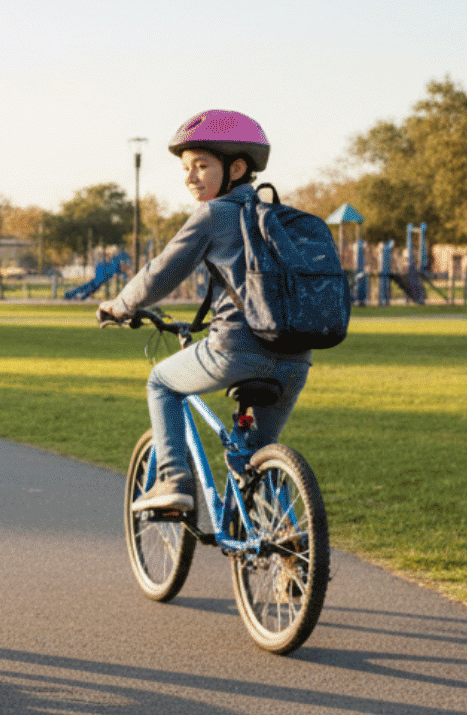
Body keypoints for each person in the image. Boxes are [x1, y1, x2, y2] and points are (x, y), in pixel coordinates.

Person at [97, 109, 312, 512]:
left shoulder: (215, 214)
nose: (190, 176)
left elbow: (160, 273)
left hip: (234, 350)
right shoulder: (278, 218)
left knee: (161, 382)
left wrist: (120, 305)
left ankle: (173, 480)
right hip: (295, 359)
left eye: (201, 165)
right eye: (186, 168)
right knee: (256, 455)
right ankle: (280, 543)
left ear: (236, 167)